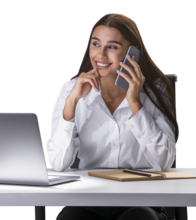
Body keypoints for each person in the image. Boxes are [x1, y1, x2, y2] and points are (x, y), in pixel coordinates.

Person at [46, 12, 178, 220]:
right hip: (87, 199)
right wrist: (71, 105)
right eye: (96, 44)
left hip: (141, 201)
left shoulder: (155, 91)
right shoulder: (70, 89)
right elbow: (57, 163)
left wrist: (135, 103)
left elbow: (164, 162)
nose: (100, 55)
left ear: (132, 52)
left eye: (112, 47)